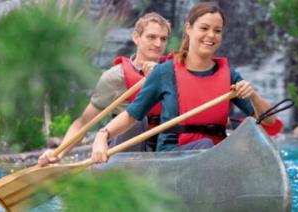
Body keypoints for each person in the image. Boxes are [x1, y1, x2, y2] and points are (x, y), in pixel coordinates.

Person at [91, 2, 280, 163]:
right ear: (189, 29)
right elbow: (132, 115)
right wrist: (103, 135)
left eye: (217, 31)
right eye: (204, 28)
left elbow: (270, 121)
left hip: (214, 157)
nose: (211, 35)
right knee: (206, 146)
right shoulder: (164, 73)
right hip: (173, 158)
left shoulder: (230, 75)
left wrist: (253, 95)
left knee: (231, 147)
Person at [38, 12, 171, 166]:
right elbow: (83, 123)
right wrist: (58, 153)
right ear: (136, 37)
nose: (158, 44)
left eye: (163, 39)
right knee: (137, 120)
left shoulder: (173, 72)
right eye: (151, 37)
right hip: (127, 153)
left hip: (163, 151)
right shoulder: (115, 77)